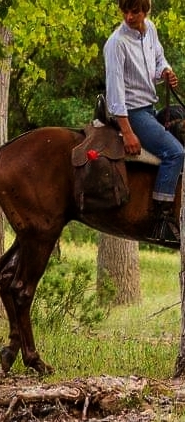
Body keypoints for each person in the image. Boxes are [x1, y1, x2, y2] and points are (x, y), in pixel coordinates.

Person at [104, 0, 184, 243]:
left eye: (135, 11)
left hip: (149, 107)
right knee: (175, 152)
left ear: (145, 10)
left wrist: (166, 72)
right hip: (132, 112)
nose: (129, 16)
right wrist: (127, 132)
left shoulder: (150, 29)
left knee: (181, 115)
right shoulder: (116, 43)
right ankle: (162, 216)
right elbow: (115, 93)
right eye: (125, 11)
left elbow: (159, 59)